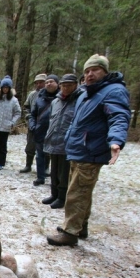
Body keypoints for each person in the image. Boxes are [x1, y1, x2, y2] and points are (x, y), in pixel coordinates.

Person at [47, 54, 130, 246]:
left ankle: (70, 232)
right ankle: (80, 226)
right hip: (77, 149)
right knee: (81, 191)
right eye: (87, 71)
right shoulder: (86, 93)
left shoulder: (113, 91)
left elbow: (119, 116)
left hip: (91, 151)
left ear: (105, 72)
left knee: (77, 192)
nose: (90, 74)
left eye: (95, 70)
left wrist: (116, 140)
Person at [42, 74, 82, 209]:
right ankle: (54, 194)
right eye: (63, 85)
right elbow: (52, 120)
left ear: (75, 85)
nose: (65, 88)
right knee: (54, 170)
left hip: (67, 142)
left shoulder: (79, 101)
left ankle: (62, 197)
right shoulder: (55, 102)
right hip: (54, 139)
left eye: (69, 85)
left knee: (64, 173)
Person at [29, 75, 60, 186]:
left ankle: (56, 180)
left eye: (51, 82)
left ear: (57, 83)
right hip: (40, 131)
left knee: (56, 158)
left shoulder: (62, 97)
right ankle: (40, 177)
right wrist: (32, 126)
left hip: (57, 133)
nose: (49, 84)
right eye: (47, 82)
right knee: (40, 155)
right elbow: (33, 114)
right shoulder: (40, 98)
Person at [0, 75, 21, 170]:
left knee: (2, 146)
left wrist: (12, 122)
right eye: (4, 87)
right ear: (1, 88)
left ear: (10, 89)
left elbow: (18, 112)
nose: (5, 89)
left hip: (6, 127)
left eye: (7, 88)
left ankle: (0, 163)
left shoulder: (14, 100)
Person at [19, 74, 46, 173]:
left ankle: (45, 168)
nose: (39, 85)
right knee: (30, 146)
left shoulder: (52, 95)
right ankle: (28, 165)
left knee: (45, 148)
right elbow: (26, 107)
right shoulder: (32, 95)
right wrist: (29, 117)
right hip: (32, 124)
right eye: (37, 83)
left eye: (41, 82)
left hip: (45, 126)